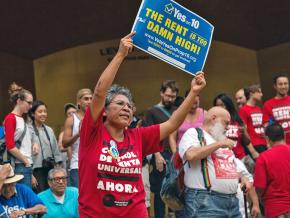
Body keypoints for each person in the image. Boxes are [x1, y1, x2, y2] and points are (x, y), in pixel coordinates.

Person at [78, 32, 206, 218]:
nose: (127, 108)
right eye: (120, 104)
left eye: (130, 106)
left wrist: (193, 93)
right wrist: (121, 54)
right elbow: (99, 92)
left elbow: (172, 124)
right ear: (104, 111)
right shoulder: (92, 133)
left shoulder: (137, 137)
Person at [179, 106, 259, 218]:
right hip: (206, 202)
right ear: (213, 118)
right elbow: (191, 154)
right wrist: (220, 144)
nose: (227, 127)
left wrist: (242, 178)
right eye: (226, 123)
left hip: (232, 203)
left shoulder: (221, 139)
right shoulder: (194, 133)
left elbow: (228, 167)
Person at [143, 79, 179, 218]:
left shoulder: (177, 110)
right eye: (168, 95)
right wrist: (157, 156)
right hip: (160, 154)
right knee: (159, 191)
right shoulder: (151, 112)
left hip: (176, 154)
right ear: (161, 93)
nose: (170, 99)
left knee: (176, 189)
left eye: (173, 96)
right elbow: (150, 136)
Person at [3, 82, 36, 187]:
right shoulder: (10, 118)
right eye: (29, 103)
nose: (30, 106)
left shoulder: (21, 119)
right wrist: (25, 161)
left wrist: (34, 144)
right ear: (19, 101)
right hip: (19, 164)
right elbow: (10, 145)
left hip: (25, 164)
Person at [254, 123, 290, 218]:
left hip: (276, 209)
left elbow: (259, 188)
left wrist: (259, 197)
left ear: (267, 139)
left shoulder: (263, 158)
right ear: (284, 136)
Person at [28, 100, 63, 193]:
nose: (43, 114)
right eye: (40, 112)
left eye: (45, 111)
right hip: (36, 171)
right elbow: (25, 154)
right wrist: (30, 175)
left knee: (52, 194)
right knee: (40, 197)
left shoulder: (49, 130)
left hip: (50, 169)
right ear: (32, 114)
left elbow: (56, 152)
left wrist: (58, 170)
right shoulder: (27, 130)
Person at [62, 89, 92, 187]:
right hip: (78, 165)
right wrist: (78, 134)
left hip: (96, 164)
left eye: (91, 99)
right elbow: (64, 143)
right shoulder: (71, 119)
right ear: (78, 101)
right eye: (86, 99)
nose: (89, 101)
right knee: (79, 197)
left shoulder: (97, 118)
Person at [239, 84, 267, 158]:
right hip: (254, 145)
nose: (261, 94)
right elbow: (244, 131)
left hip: (264, 144)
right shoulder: (243, 110)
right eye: (259, 92)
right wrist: (252, 151)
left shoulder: (258, 108)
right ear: (252, 93)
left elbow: (264, 127)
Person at [263, 73, 290, 144]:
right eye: (280, 84)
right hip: (280, 144)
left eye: (285, 83)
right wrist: (268, 144)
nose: (283, 86)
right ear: (275, 86)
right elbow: (266, 126)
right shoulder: (268, 104)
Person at [58, 103, 77, 177]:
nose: (71, 114)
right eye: (69, 113)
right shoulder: (63, 133)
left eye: (73, 112)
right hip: (71, 163)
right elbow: (61, 147)